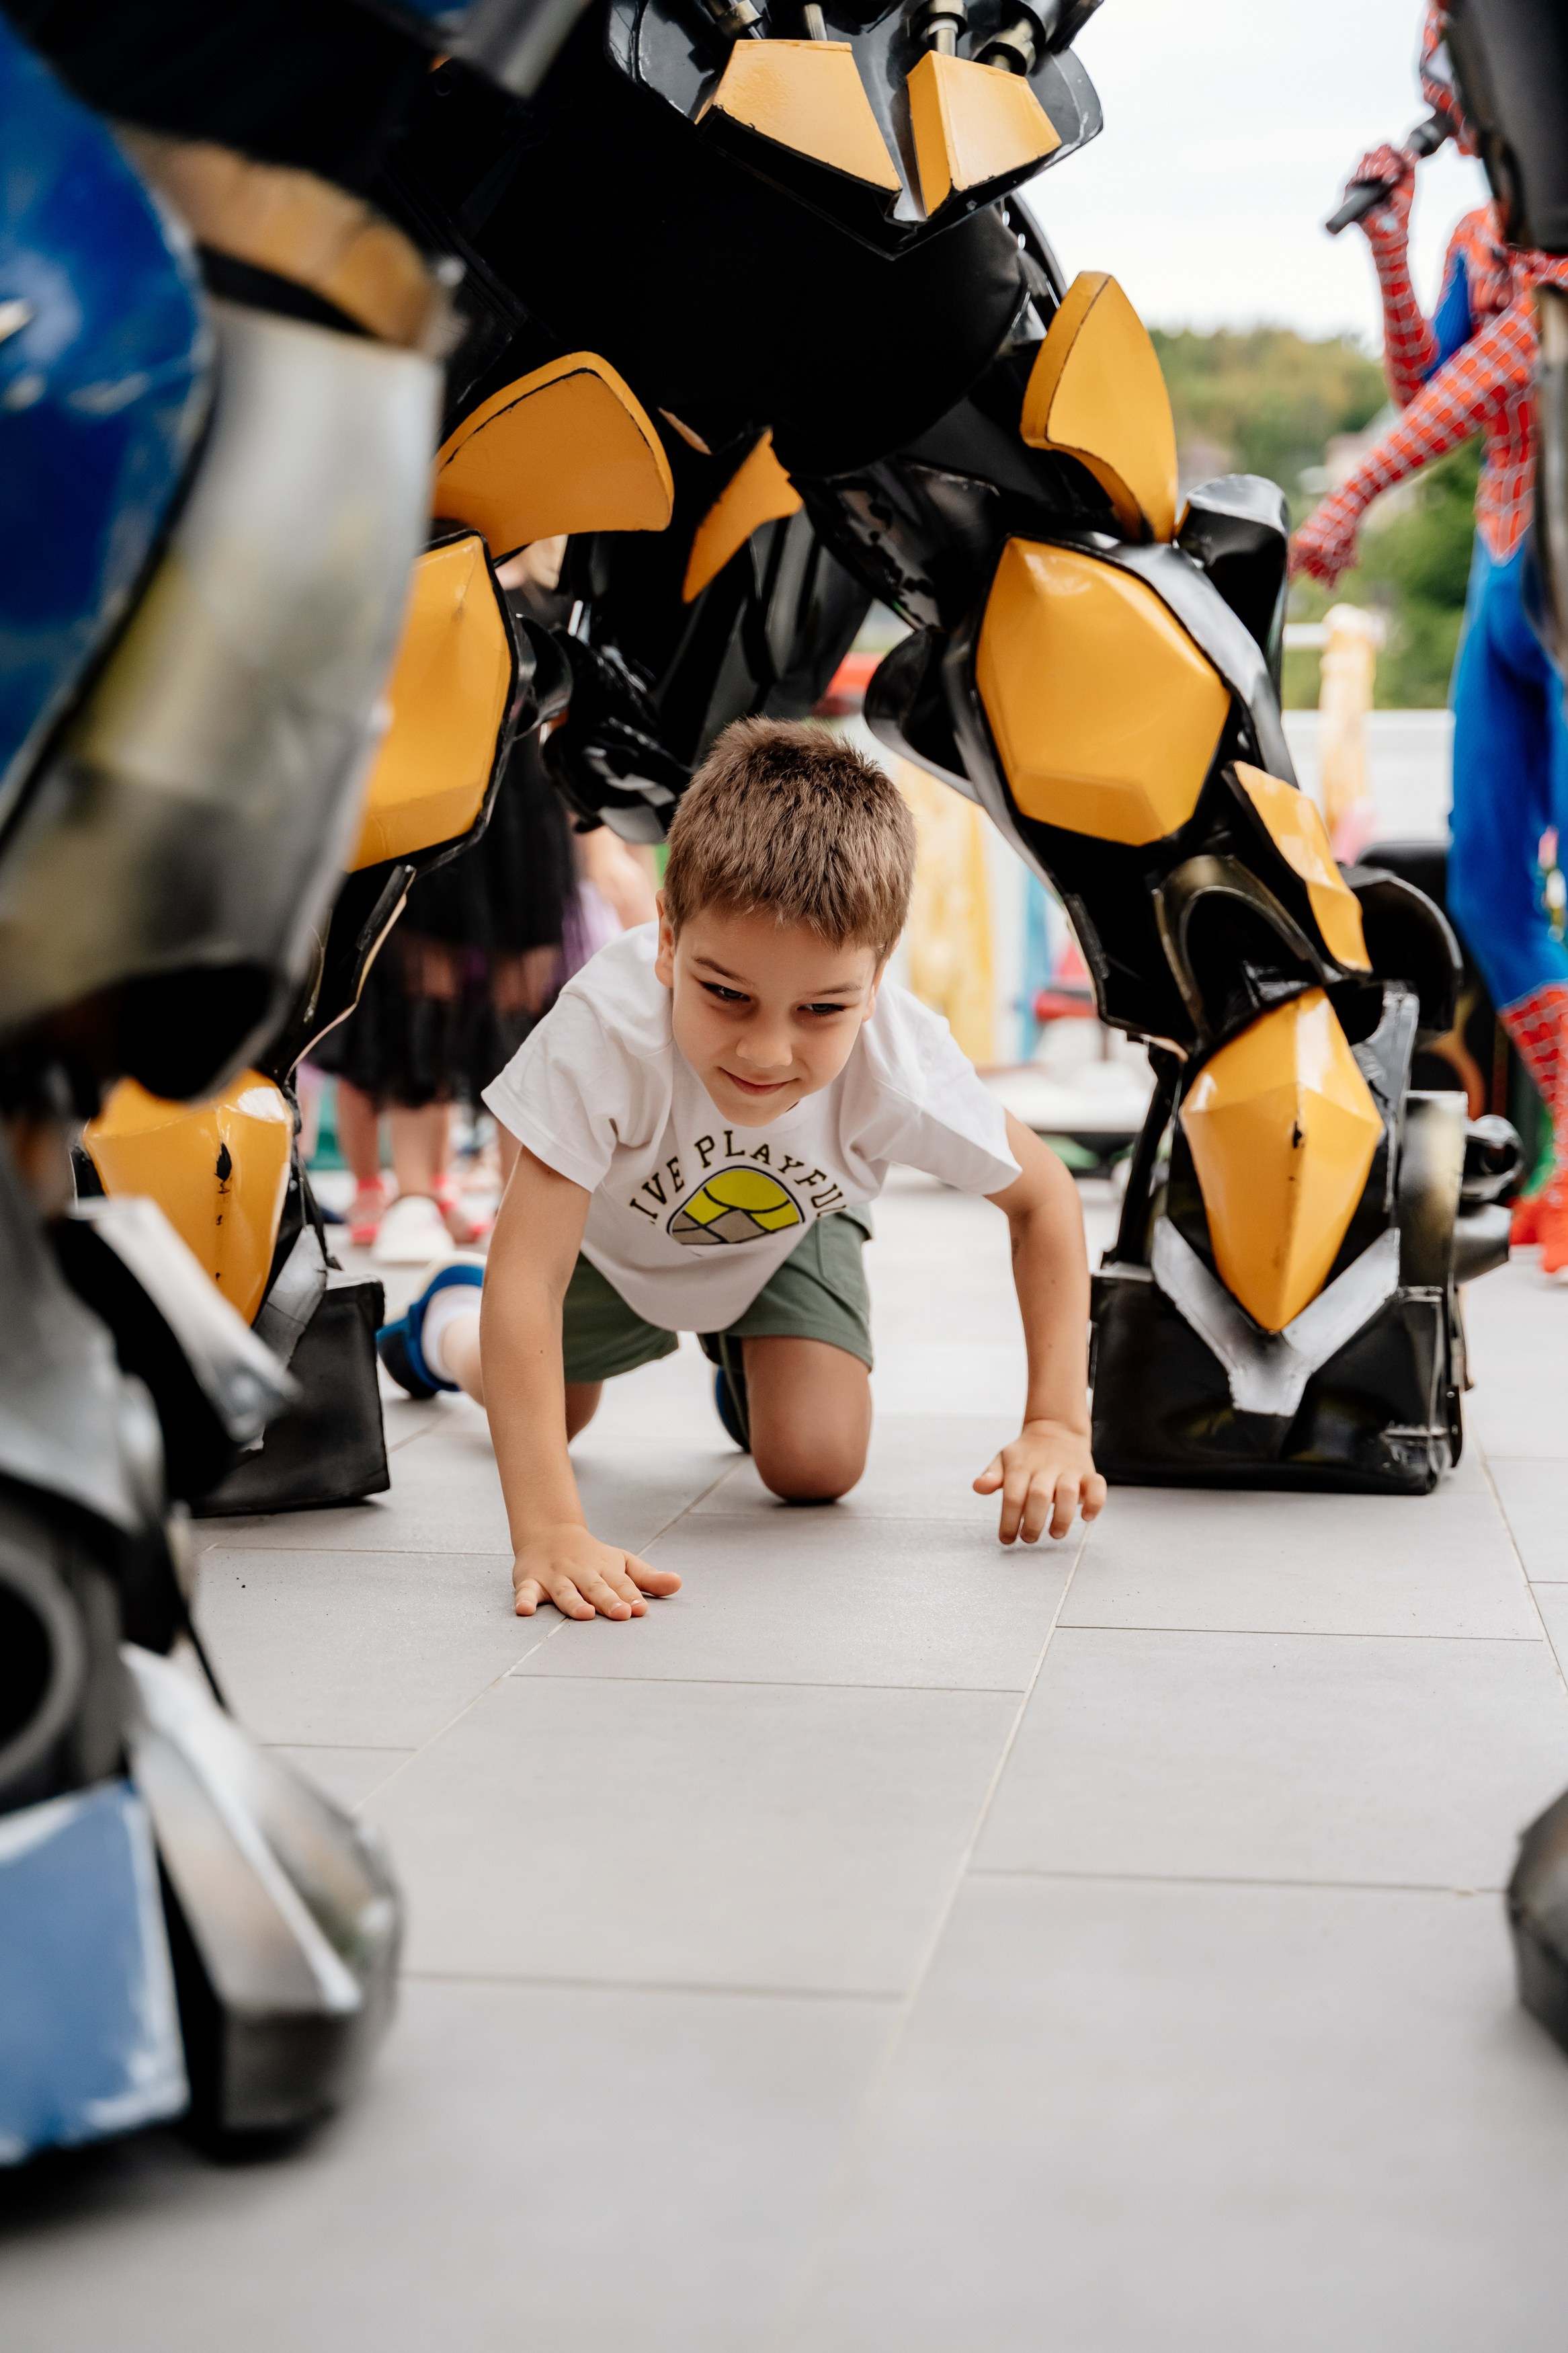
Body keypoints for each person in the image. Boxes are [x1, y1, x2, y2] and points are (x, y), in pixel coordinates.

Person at [377, 717, 1105, 1623]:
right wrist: (551, 1531)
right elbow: (528, 1279)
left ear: (875, 985)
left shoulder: (899, 1063)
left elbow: (1043, 1199)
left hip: (781, 1236)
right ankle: (443, 1323)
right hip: (605, 1241)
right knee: (542, 1417)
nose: (766, 1050)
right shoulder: (604, 1029)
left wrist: (1055, 1424)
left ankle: (757, 1365)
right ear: (668, 943)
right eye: (725, 993)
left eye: (821, 1008)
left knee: (815, 1466)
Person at [1292, 3, 1568, 1273]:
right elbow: (1431, 388)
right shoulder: (1482, 234)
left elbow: (1522, 352)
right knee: (1490, 896)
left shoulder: (1553, 246)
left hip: (1552, 579)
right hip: (1502, 588)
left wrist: (1352, 489)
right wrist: (1390, 252)